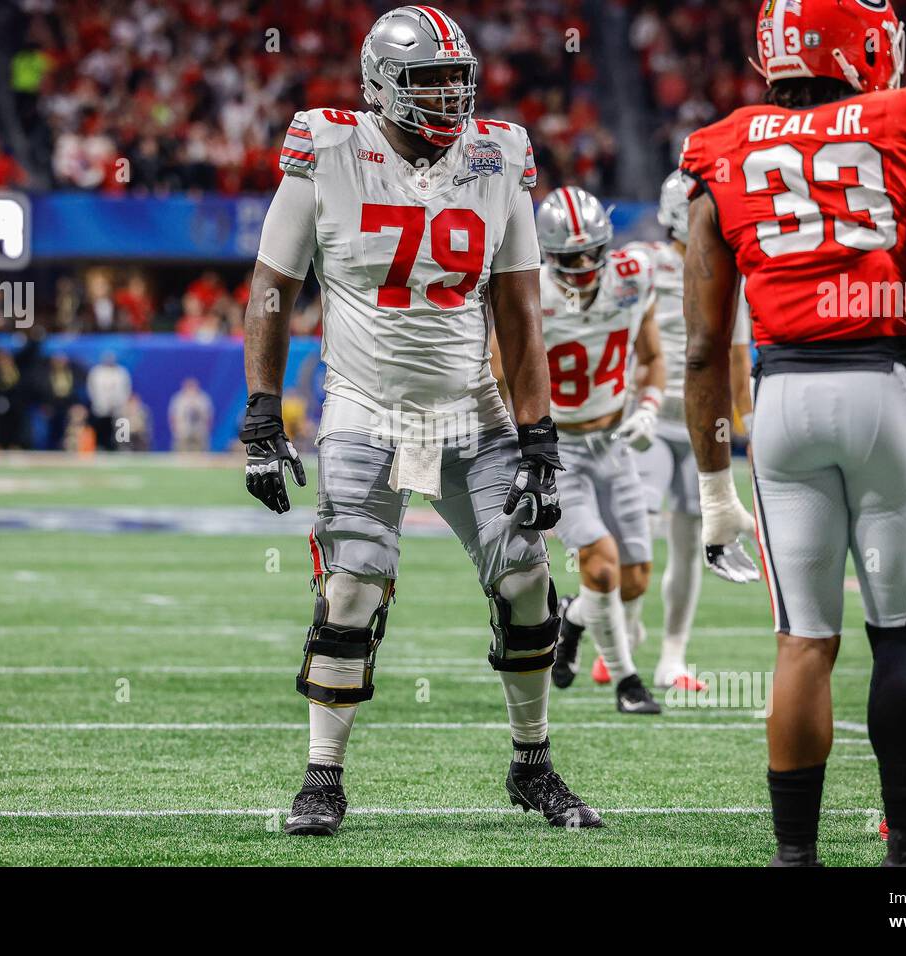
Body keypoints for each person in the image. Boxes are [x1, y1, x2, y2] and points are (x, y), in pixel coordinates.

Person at [241, 5, 600, 837]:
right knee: (354, 582)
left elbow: (518, 305)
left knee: (525, 577)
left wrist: (537, 433)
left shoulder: (497, 156)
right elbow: (272, 287)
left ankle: (532, 761)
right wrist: (263, 414)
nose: (447, 97)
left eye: (455, 79)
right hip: (366, 406)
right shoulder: (328, 148)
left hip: (469, 408)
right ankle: (322, 777)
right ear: (379, 85)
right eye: (427, 81)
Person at [681, 0, 906, 866]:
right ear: (863, 45)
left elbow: (706, 346)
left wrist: (715, 490)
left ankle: (795, 859)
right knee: (900, 634)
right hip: (882, 389)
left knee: (802, 641)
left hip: (782, 402)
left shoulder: (723, 146)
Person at [625, 170, 758, 691]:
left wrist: (746, 421)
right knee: (635, 531)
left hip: (704, 426)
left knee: (689, 544)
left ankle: (672, 657)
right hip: (651, 419)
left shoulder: (728, 269)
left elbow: (738, 357)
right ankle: (628, 631)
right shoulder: (645, 265)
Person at [533, 185, 663, 714]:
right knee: (602, 566)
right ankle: (628, 682)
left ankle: (573, 619)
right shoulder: (531, 292)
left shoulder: (633, 276)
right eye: (571, 256)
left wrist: (650, 405)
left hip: (616, 442)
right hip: (561, 447)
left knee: (633, 580)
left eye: (592, 252)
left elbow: (652, 356)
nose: (585, 264)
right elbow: (500, 371)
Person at [86, 352, 131, 451]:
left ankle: (122, 447)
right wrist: (100, 402)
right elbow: (91, 389)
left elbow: (126, 389)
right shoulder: (96, 372)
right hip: (101, 407)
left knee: (122, 424)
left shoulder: (121, 372)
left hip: (118, 407)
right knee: (101, 428)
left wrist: (119, 402)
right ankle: (100, 446)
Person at [169, 377, 212, 452]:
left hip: (199, 430)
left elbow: (209, 416)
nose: (191, 389)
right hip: (183, 430)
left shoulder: (203, 398)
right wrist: (174, 429)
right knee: (181, 451)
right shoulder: (178, 399)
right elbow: (172, 416)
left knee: (201, 451)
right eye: (189, 386)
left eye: (192, 386)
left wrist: (207, 429)